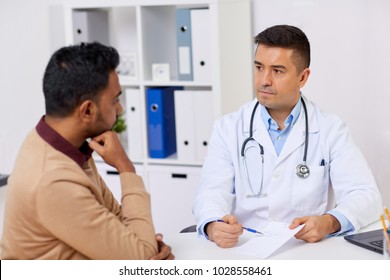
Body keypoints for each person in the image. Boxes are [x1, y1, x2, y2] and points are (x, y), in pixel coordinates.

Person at [192, 25, 383, 248]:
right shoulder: (228, 128)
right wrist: (213, 225)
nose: (264, 80)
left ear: (302, 77)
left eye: (277, 71)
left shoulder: (331, 129)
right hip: (246, 246)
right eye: (259, 67)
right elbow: (211, 192)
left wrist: (330, 222)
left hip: (305, 249)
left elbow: (366, 196)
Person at [0, 42, 174, 260]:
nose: (120, 109)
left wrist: (146, 243)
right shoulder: (53, 179)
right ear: (88, 110)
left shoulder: (61, 143)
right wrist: (125, 167)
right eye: (115, 100)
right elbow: (139, 262)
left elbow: (117, 222)